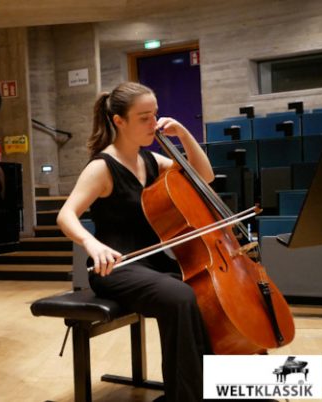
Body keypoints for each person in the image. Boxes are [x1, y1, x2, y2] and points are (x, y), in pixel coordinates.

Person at [56, 82, 215, 402]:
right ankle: (184, 396)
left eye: (154, 115)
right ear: (119, 121)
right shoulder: (102, 167)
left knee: (204, 292)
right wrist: (91, 243)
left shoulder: (153, 162)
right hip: (116, 267)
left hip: (153, 264)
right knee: (181, 296)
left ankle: (213, 389)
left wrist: (184, 134)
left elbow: (205, 177)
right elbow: (66, 215)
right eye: (143, 117)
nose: (153, 124)